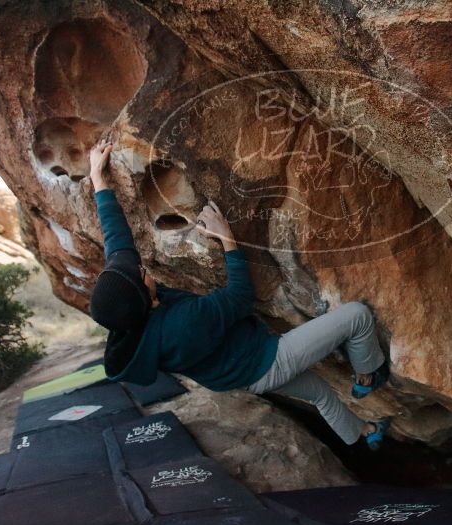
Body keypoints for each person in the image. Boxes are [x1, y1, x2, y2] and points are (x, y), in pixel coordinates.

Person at [87, 140, 391, 449]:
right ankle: (367, 377)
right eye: (140, 276)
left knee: (319, 393)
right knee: (357, 316)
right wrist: (226, 238)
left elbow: (117, 242)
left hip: (235, 374)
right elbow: (239, 297)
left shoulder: (129, 317)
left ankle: (367, 432)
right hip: (265, 362)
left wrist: (98, 179)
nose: (142, 269)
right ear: (144, 298)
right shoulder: (181, 325)